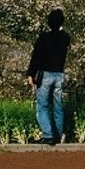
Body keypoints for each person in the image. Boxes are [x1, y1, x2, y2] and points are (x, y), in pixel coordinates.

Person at [25, 8, 71, 146]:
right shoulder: (65, 37)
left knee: (42, 106)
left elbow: (36, 57)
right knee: (58, 106)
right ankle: (57, 134)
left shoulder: (44, 38)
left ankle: (48, 134)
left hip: (46, 74)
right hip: (59, 74)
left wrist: (30, 74)